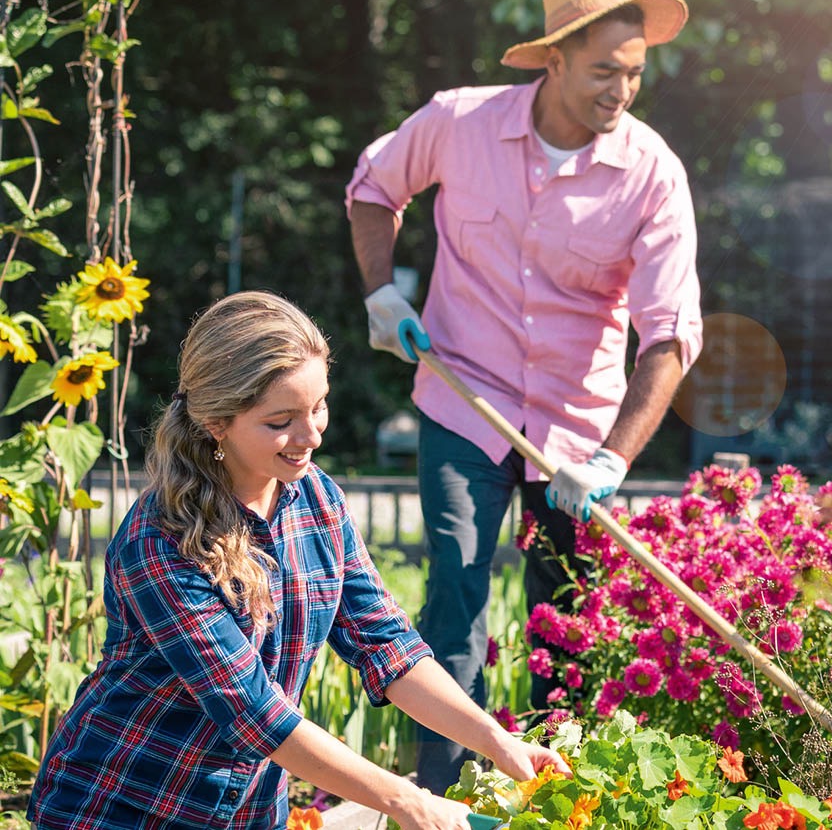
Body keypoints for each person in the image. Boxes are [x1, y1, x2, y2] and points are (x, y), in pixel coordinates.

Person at [346, 0, 704, 794]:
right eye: (605, 70)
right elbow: (373, 188)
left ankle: (551, 795)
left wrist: (612, 459)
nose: (623, 89)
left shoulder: (652, 174)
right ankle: (443, 796)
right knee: (456, 595)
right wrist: (380, 290)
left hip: (578, 434)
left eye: (636, 72)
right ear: (555, 61)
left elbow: (668, 336)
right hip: (463, 400)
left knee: (566, 620)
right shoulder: (459, 122)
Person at [27, 290, 570, 830]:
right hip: (123, 806)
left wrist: (495, 741)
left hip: (252, 813)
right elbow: (257, 716)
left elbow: (388, 647)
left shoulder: (317, 498)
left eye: (319, 406)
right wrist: (408, 800)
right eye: (280, 420)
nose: (310, 436)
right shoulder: (163, 541)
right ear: (217, 422)